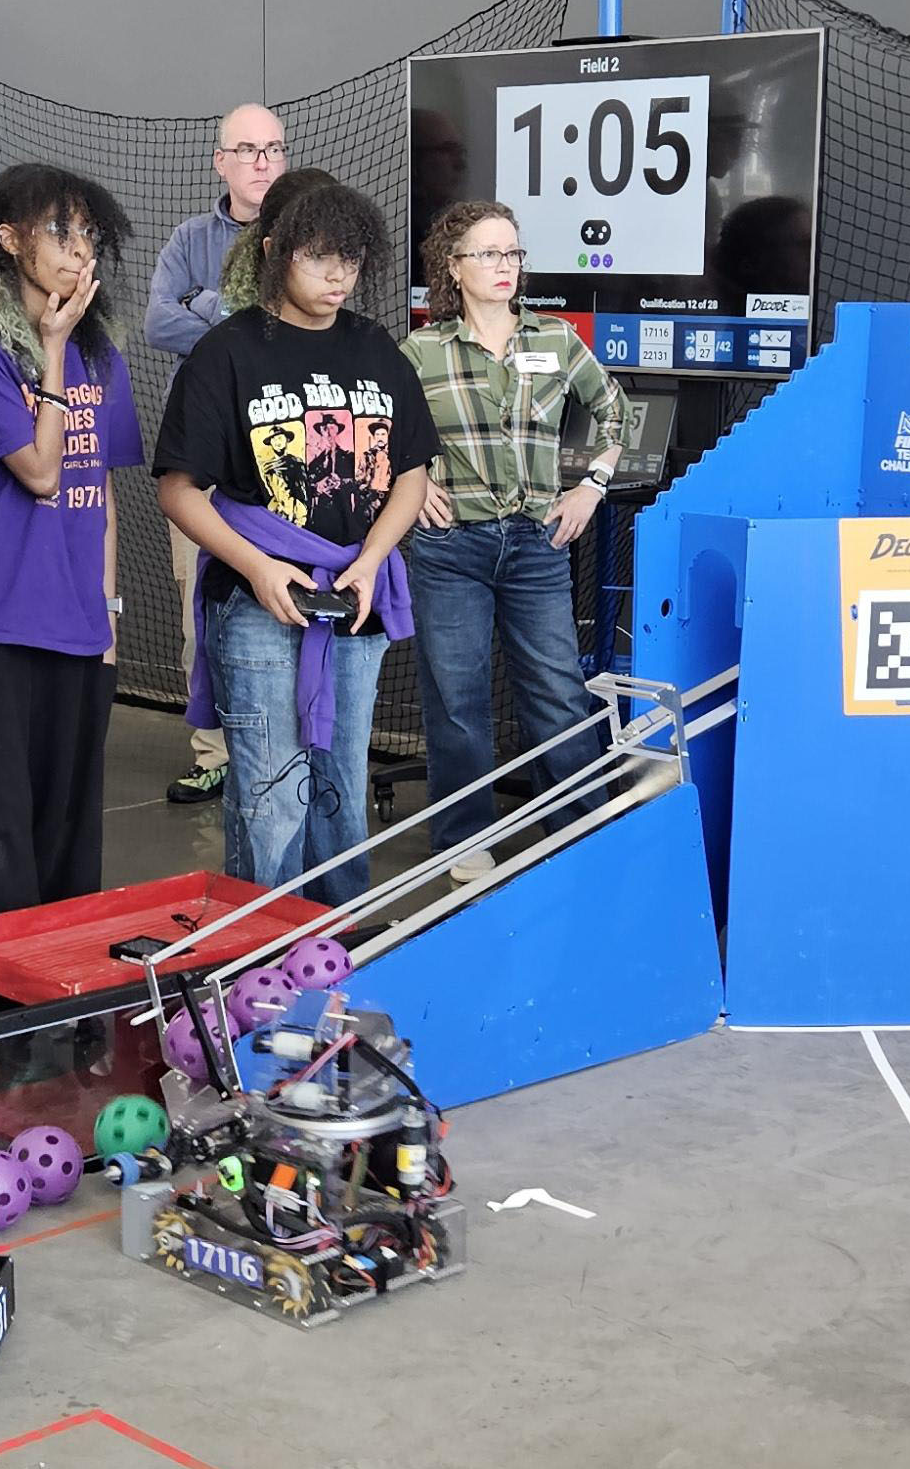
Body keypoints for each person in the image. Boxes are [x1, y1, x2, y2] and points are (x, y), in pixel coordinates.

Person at [155, 175, 432, 902]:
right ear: (276, 252)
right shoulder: (229, 352)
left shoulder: (378, 350)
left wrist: (372, 563)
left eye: (352, 258)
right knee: (271, 791)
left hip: (353, 598)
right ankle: (255, 964)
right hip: (257, 604)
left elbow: (411, 472)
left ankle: (335, 955)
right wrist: (258, 567)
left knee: (340, 782)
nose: (339, 274)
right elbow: (177, 488)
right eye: (319, 257)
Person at [0, 167, 140, 952]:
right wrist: (48, 349)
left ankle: (59, 993)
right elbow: (42, 470)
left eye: (87, 236)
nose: (77, 252)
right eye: (58, 233)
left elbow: (99, 492)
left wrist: (107, 614)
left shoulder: (99, 350)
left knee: (67, 836)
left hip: (73, 623)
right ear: (9, 240)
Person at [404, 199, 635, 880]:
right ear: (453, 266)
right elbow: (380, 434)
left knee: (558, 691)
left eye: (512, 254)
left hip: (538, 546)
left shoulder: (557, 339)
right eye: (488, 254)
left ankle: (581, 827)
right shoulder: (421, 351)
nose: (504, 267)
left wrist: (591, 485)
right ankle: (463, 839)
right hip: (452, 551)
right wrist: (412, 483)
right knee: (457, 697)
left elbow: (614, 412)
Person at [146, 103, 288, 805]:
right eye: (247, 150)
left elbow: (292, 332)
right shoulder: (188, 237)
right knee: (199, 609)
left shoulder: (301, 236)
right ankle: (215, 754)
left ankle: (285, 750)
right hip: (201, 463)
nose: (261, 163)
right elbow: (155, 321)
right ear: (220, 161)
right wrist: (230, 321)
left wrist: (205, 306)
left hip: (284, 463)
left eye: (272, 150)